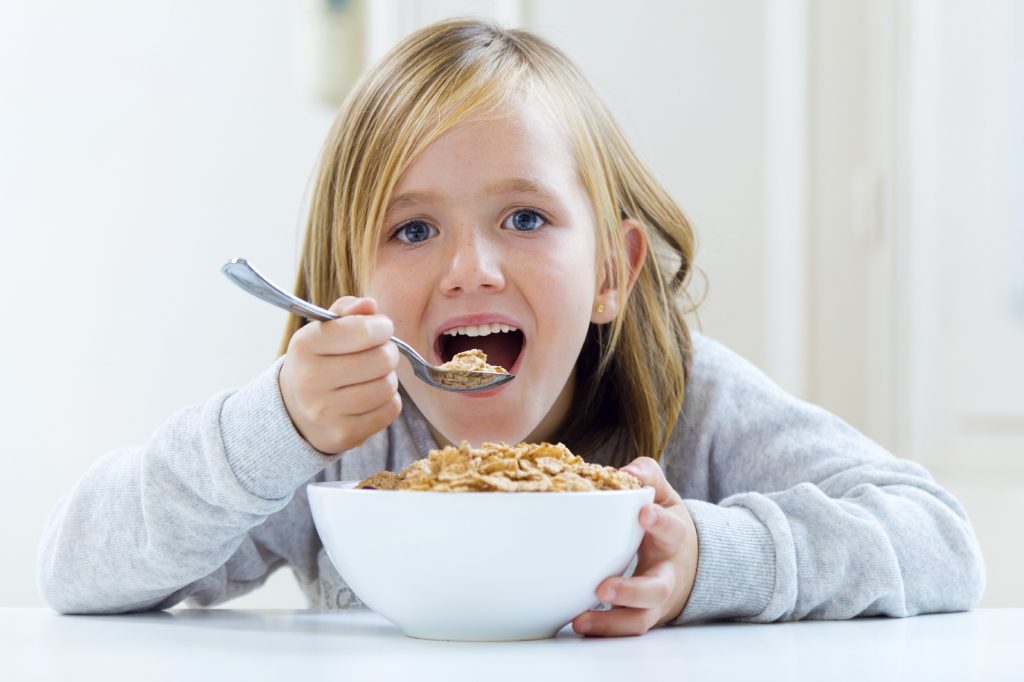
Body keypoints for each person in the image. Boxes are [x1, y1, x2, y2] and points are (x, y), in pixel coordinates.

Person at [37, 18, 984, 637]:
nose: (470, 269)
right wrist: (271, 425)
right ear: (347, 296)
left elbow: (941, 542)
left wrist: (708, 560)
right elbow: (78, 569)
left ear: (612, 272)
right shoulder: (330, 450)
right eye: (412, 229)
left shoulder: (694, 406)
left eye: (524, 219)